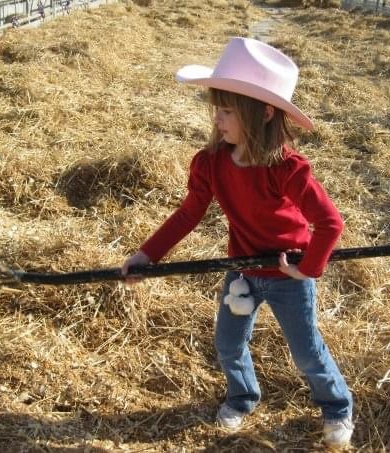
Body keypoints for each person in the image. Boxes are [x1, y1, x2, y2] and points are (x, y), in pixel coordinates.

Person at [121, 37, 354, 448]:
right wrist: (147, 254)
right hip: (242, 272)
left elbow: (329, 223)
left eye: (227, 110)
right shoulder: (210, 162)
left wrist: (307, 268)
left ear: (263, 112)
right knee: (228, 344)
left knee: (306, 354)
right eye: (217, 108)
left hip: (287, 275)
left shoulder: (286, 169)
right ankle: (243, 396)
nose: (217, 119)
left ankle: (336, 408)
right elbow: (188, 214)